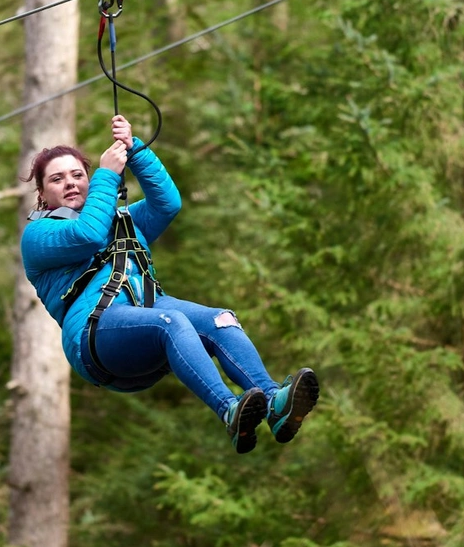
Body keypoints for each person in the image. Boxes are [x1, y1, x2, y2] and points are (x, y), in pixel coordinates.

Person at [20, 114, 319, 454]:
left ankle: (273, 402)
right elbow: (87, 234)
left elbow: (167, 204)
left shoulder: (125, 221)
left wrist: (135, 151)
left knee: (219, 319)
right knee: (171, 322)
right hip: (95, 334)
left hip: (146, 316)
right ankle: (229, 409)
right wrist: (106, 174)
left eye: (78, 175)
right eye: (57, 179)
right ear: (43, 194)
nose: (71, 183)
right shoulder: (38, 236)